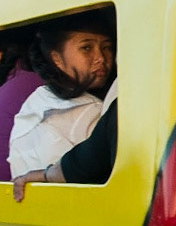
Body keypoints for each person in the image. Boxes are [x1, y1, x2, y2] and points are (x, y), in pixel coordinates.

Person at [3, 11, 115, 178]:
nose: (100, 58)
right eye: (86, 48)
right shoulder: (91, 112)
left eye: (106, 48)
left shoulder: (35, 101)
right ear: (56, 58)